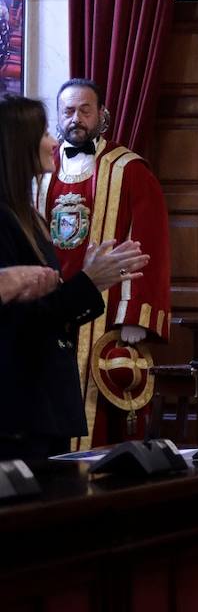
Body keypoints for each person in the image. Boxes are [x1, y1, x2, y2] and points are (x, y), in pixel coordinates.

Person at [0, 94, 148, 461]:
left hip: (45, 403)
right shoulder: (3, 220)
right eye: (45, 132)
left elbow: (45, 309)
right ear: (18, 145)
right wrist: (87, 283)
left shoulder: (30, 219)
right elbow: (19, 321)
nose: (54, 142)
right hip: (19, 405)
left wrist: (90, 282)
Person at [36, 78, 172, 446]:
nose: (76, 118)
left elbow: (149, 245)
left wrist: (135, 317)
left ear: (101, 116)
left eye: (85, 110)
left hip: (105, 313)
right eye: (68, 111)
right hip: (47, 311)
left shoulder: (129, 170)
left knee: (99, 422)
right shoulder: (38, 172)